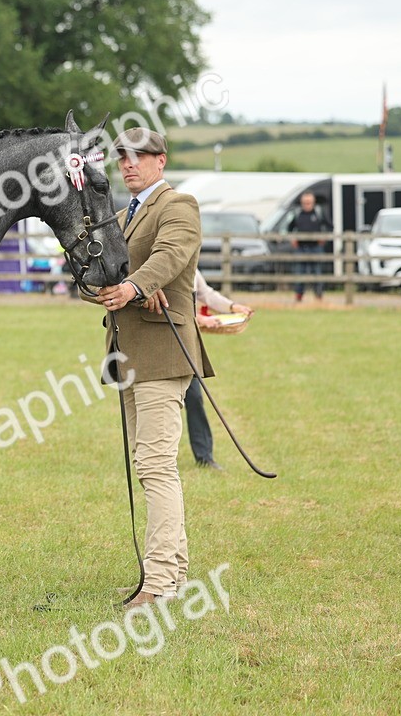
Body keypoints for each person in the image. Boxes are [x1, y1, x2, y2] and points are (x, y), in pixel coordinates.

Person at [87, 127, 212, 609]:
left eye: (140, 157)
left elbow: (171, 256)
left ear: (161, 161)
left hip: (164, 351)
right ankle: (171, 575)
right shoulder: (121, 216)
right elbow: (95, 270)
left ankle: (158, 582)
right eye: (122, 158)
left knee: (156, 466)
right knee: (151, 466)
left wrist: (134, 287)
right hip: (128, 353)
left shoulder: (178, 206)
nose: (129, 165)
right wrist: (107, 287)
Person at [186, 271, 254, 470]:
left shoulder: (190, 258)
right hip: (163, 341)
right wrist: (199, 318)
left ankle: (205, 457)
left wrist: (233, 307)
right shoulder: (166, 255)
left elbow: (205, 293)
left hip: (187, 344)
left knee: (195, 398)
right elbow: (168, 301)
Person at [287, 192, 330, 301]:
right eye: (305, 203)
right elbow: (289, 229)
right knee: (300, 273)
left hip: (316, 247)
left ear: (313, 202)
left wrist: (323, 237)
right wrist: (293, 239)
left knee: (317, 273)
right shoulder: (297, 214)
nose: (307, 205)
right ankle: (298, 297)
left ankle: (318, 296)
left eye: (309, 202)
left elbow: (330, 227)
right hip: (301, 248)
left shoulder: (319, 213)